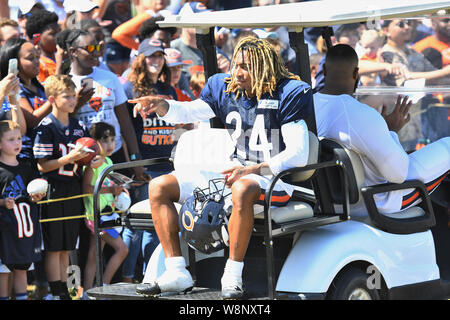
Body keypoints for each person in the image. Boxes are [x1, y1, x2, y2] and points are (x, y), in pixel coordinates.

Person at [129, 36, 313, 299]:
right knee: (159, 186)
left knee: (242, 187)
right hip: (236, 172)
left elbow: (299, 154)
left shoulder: (288, 92)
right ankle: (176, 271)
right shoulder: (225, 88)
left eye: (246, 66)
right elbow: (191, 112)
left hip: (273, 178)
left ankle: (233, 275)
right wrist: (164, 106)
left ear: (264, 68)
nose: (238, 72)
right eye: (236, 64)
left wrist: (254, 170)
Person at [314, 44, 449, 217]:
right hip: (378, 202)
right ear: (356, 74)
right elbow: (398, 174)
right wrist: (391, 131)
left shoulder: (308, 105)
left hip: (332, 202)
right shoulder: (362, 114)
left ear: (324, 70)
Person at [33, 74, 97, 300]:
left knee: (68, 244)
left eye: (73, 95)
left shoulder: (79, 125)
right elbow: (42, 165)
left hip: (73, 188)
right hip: (53, 189)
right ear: (52, 99)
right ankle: (56, 291)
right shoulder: (46, 126)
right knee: (54, 246)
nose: (72, 100)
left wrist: (92, 160)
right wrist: (69, 158)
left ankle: (67, 292)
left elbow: (88, 156)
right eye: (66, 96)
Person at [121, 38, 175, 284]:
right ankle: (129, 277)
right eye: (151, 56)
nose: (156, 60)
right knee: (140, 224)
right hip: (143, 164)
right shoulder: (130, 89)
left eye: (160, 56)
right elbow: (126, 131)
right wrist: (135, 162)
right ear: (140, 59)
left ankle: (149, 276)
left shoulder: (169, 89)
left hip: (165, 162)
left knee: (157, 224)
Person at [66, 29, 146, 180]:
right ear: (73, 51)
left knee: (121, 201)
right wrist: (78, 104)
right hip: (82, 156)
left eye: (97, 48)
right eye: (90, 48)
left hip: (114, 152)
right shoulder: (66, 81)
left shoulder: (109, 78)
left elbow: (125, 121)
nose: (96, 53)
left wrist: (136, 159)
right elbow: (62, 122)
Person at [0, 120, 46, 300]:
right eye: (11, 139)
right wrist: (4, 203)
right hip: (4, 232)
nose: (17, 143)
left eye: (19, 138)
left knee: (22, 269)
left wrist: (37, 196)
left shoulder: (27, 168)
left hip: (24, 232)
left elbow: (34, 193)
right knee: (3, 272)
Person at [82, 121, 128, 297]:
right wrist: (110, 189)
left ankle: (87, 292)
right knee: (122, 249)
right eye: (105, 140)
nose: (110, 145)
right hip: (97, 217)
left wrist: (119, 192)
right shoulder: (92, 164)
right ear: (94, 142)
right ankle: (104, 286)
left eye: (112, 140)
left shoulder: (109, 161)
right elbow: (86, 189)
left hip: (108, 215)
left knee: (94, 255)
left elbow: (111, 188)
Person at [25, 9, 62, 84]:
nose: (59, 37)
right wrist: (60, 66)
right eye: (53, 34)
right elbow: (50, 92)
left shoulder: (62, 57)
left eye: (60, 32)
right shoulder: (37, 64)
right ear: (37, 38)